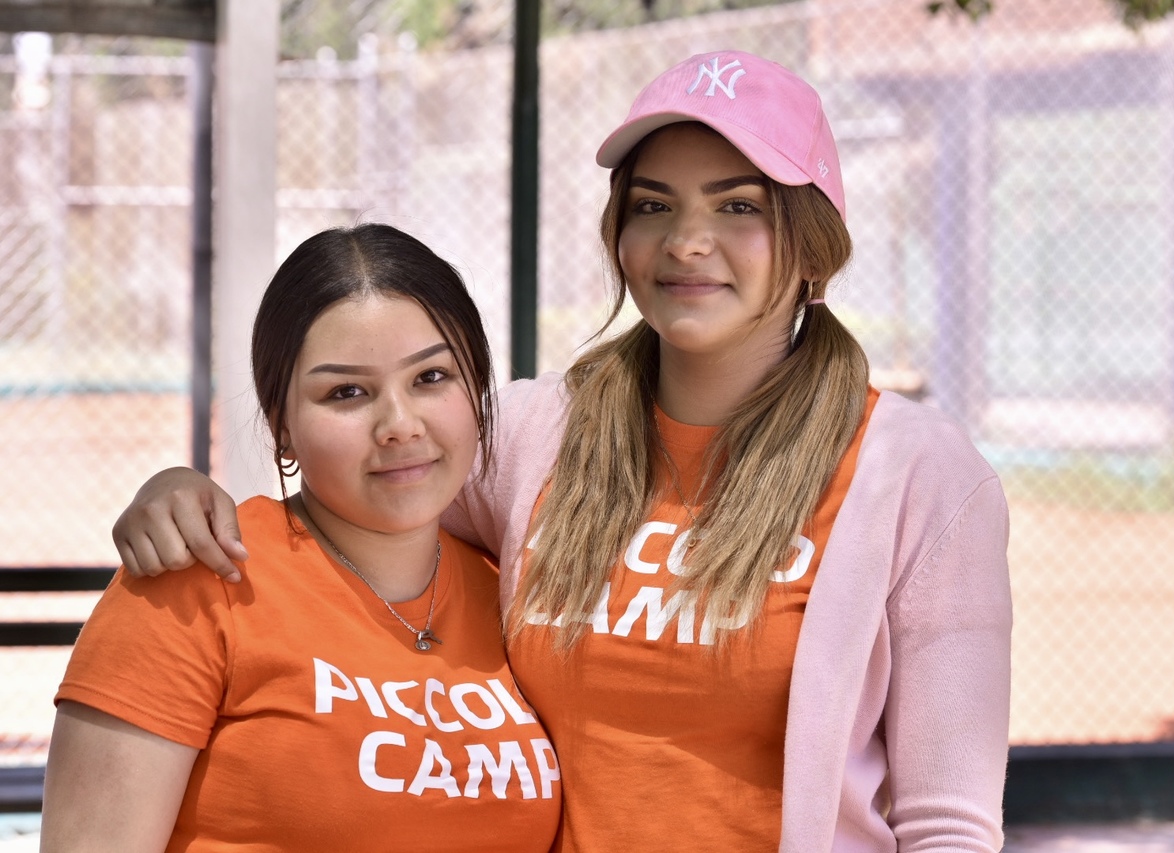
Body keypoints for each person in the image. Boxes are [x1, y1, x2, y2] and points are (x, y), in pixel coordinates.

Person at [108, 51, 1012, 851]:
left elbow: (949, 824)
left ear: (814, 242)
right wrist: (181, 490)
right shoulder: (536, 434)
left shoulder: (914, 477)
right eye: (653, 206)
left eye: (739, 206)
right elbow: (358, 501)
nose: (686, 241)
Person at [42, 224, 562, 852]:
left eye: (430, 377)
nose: (400, 425)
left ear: (476, 389)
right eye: (347, 392)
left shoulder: (513, 594)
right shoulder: (200, 577)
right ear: (280, 424)